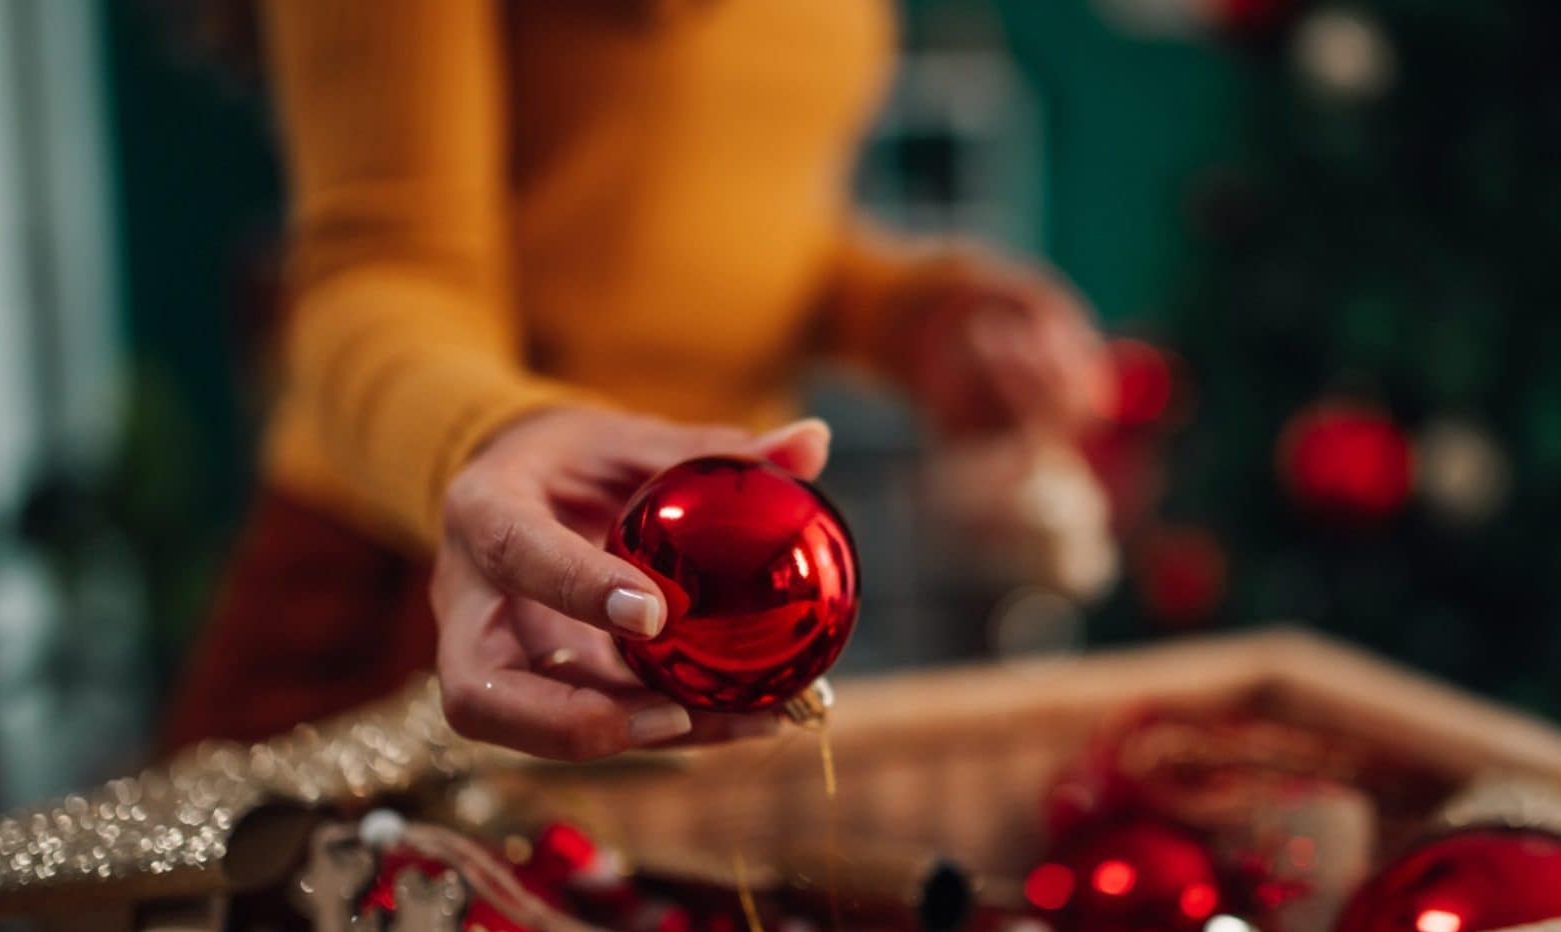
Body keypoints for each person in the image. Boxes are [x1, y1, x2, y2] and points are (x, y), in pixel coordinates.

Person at [162, 0, 1106, 760]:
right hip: (437, 572)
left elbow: (749, 228)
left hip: (707, 598)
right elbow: (380, 267)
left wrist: (917, 315)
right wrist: (490, 436)